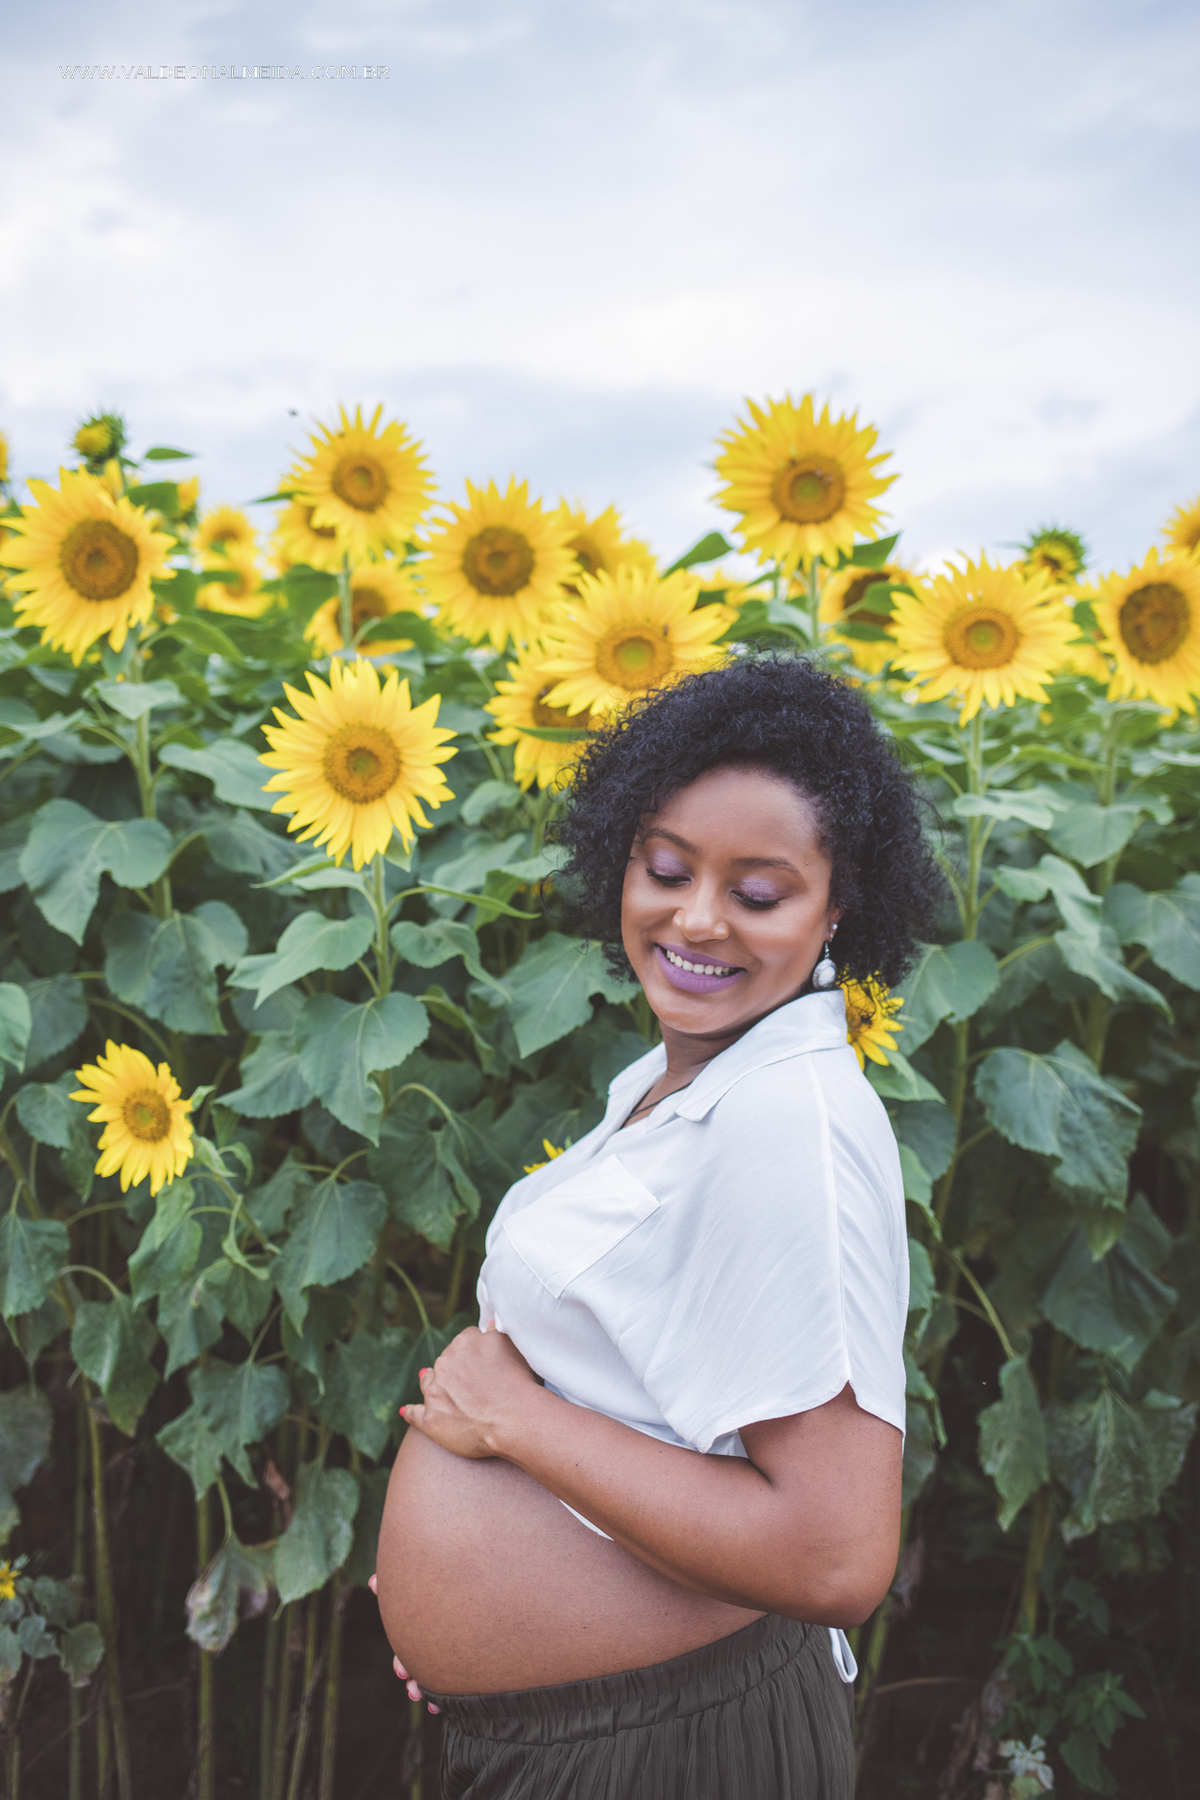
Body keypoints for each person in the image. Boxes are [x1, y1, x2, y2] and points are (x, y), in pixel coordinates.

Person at [373, 653, 943, 1799]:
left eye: (759, 892)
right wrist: (479, 1639)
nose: (695, 919)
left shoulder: (792, 1122)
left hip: (677, 1745)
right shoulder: (678, 1079)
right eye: (666, 867)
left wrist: (517, 1424)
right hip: (593, 1729)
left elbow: (834, 1556)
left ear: (839, 906)